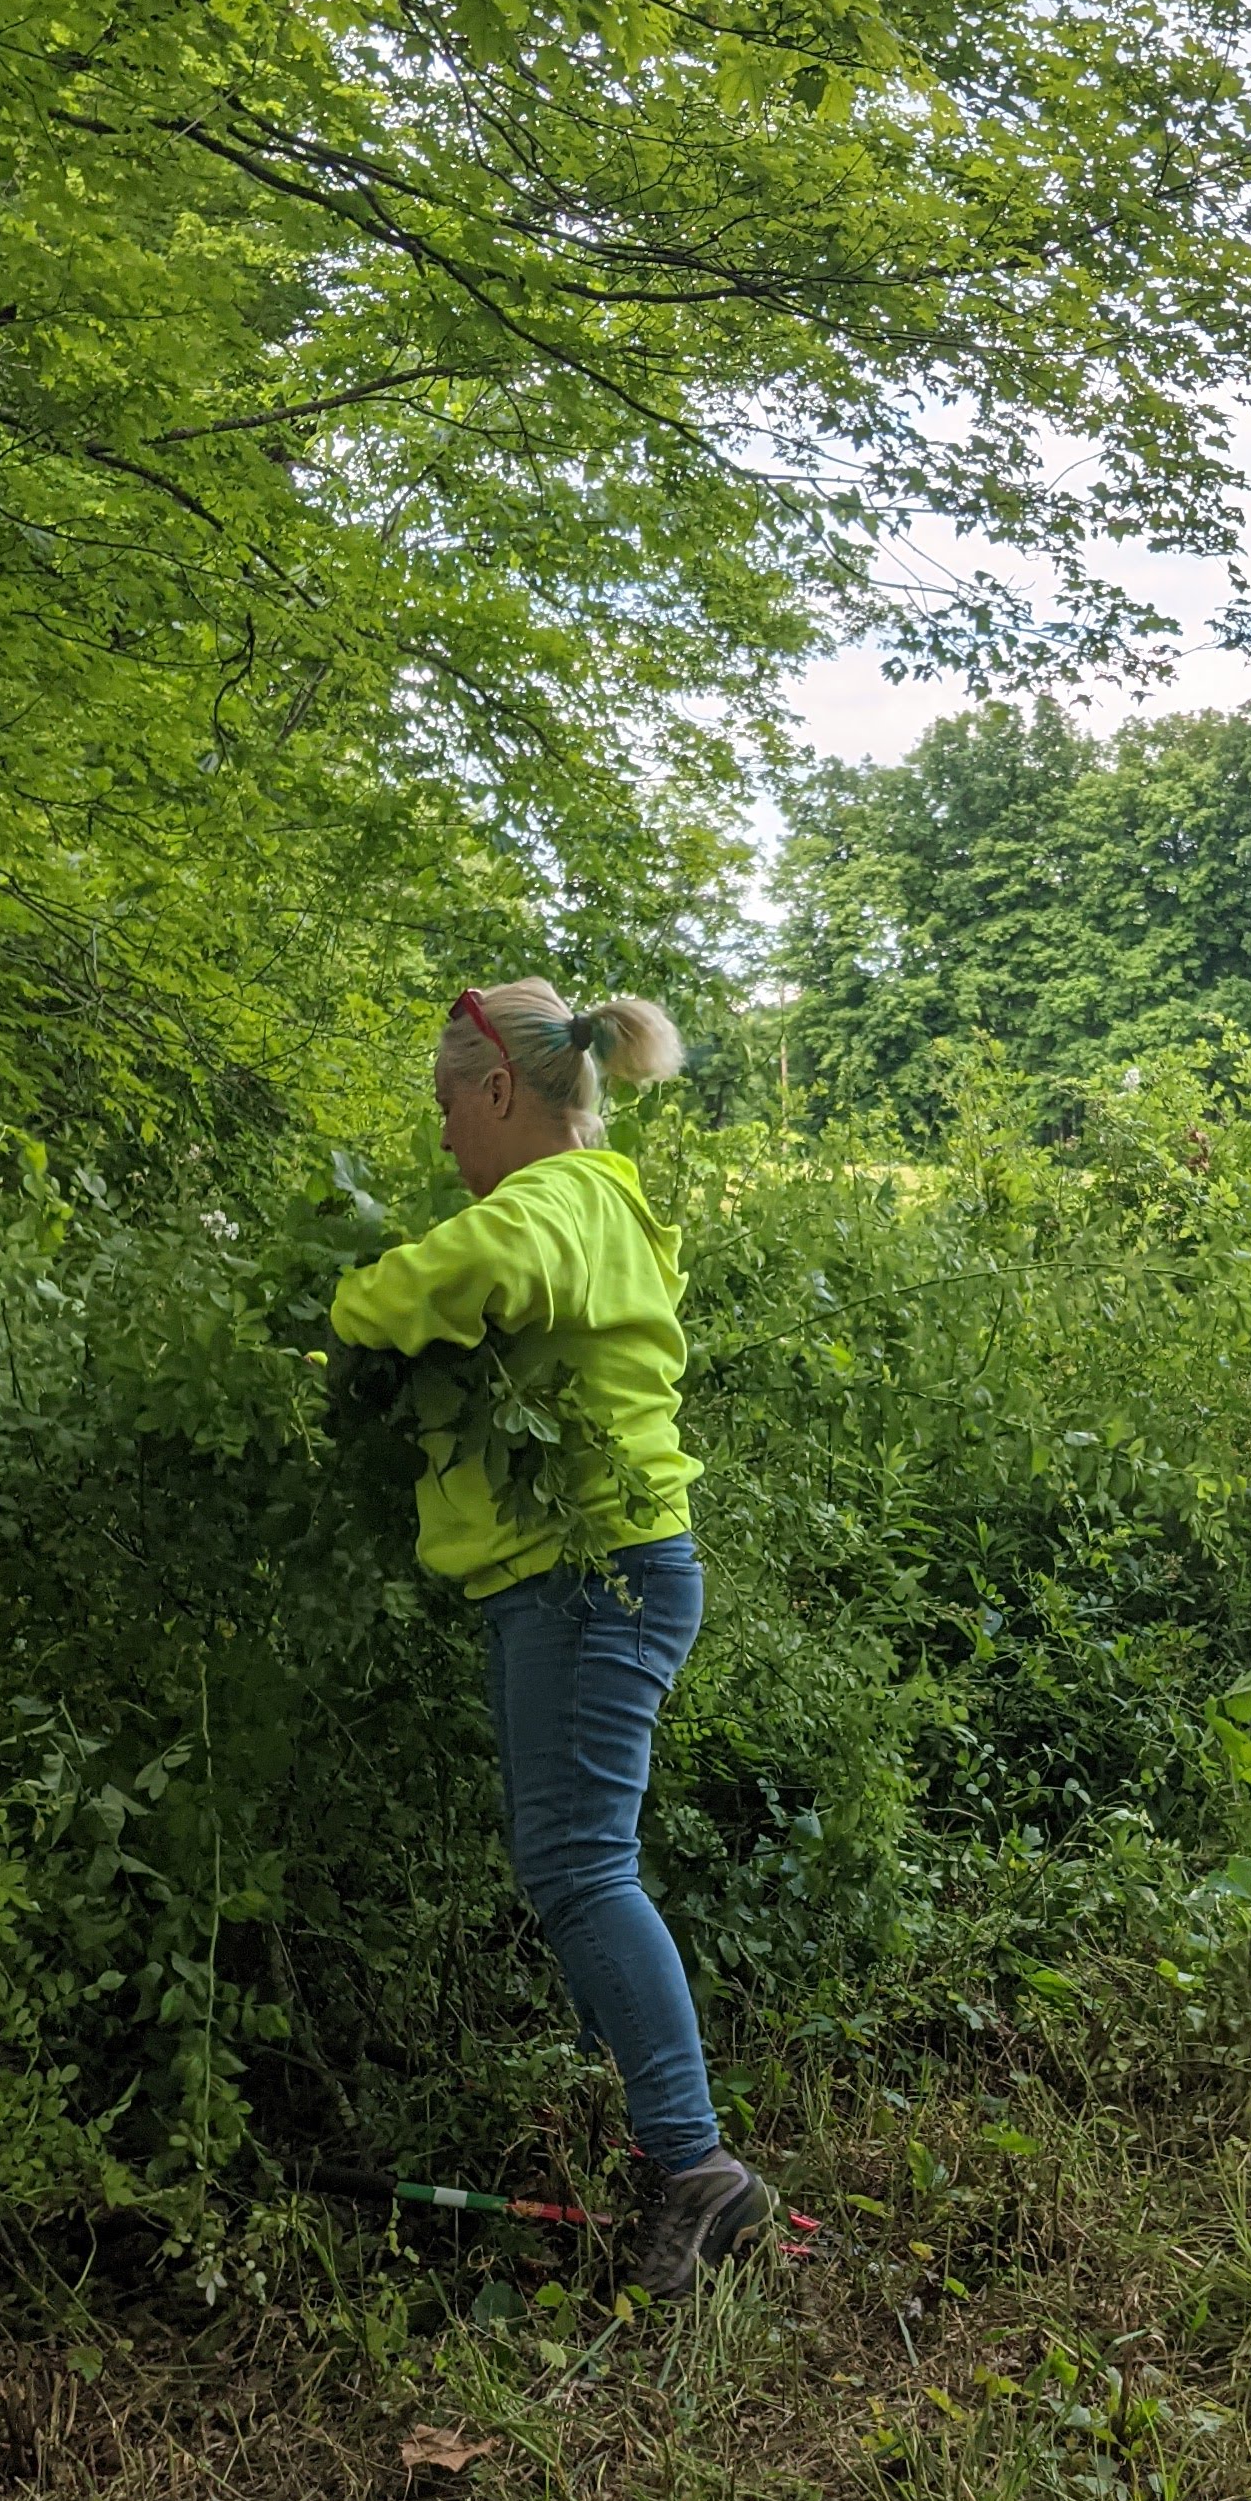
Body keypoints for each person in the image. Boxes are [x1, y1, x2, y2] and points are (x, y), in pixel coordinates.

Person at [329, 978, 768, 2297]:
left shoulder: (554, 1206)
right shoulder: (601, 1200)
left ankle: (696, 2171)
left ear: (501, 1089)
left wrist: (343, 1317)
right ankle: (660, 2146)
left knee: (582, 1870)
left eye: (447, 1107)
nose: (444, 1140)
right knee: (569, 1867)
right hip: (575, 1579)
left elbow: (471, 1268)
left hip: (594, 1580)